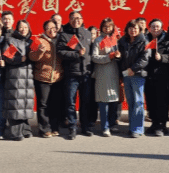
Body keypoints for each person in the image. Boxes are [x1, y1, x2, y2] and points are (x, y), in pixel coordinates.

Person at [57, 11, 93, 139]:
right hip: (72, 74)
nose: (76, 20)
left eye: (78, 18)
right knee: (70, 102)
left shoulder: (87, 33)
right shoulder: (64, 35)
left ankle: (85, 126)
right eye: (73, 18)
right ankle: (72, 127)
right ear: (69, 20)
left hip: (86, 73)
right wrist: (76, 54)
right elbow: (60, 52)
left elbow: (91, 52)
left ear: (82, 20)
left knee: (86, 101)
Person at [29, 19, 64, 137]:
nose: (51, 30)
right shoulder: (39, 41)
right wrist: (39, 52)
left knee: (55, 104)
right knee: (43, 105)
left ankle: (54, 127)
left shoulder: (60, 41)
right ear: (44, 30)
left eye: (53, 28)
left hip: (57, 78)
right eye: (48, 28)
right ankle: (44, 129)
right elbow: (32, 56)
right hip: (42, 77)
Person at [2, 20, 35, 141]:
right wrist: (19, 59)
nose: (23, 29)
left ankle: (25, 129)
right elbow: (7, 56)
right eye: (21, 27)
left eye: (26, 27)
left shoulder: (31, 42)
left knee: (25, 103)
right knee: (15, 104)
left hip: (28, 76)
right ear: (17, 28)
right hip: (15, 76)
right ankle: (14, 132)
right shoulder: (11, 40)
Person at [118, 19, 149, 137]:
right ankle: (132, 126)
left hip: (138, 75)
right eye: (130, 28)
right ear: (127, 30)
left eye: (135, 28)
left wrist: (133, 69)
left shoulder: (144, 41)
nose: (133, 30)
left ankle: (138, 129)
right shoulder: (122, 41)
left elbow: (145, 58)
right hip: (126, 75)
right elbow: (120, 58)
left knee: (138, 102)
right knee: (131, 101)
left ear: (139, 29)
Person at [144, 18, 169, 136]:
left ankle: (162, 126)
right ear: (149, 28)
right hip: (148, 76)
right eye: (153, 27)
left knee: (161, 102)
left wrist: (162, 57)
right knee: (151, 101)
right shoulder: (145, 39)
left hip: (162, 76)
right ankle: (154, 123)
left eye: (158, 27)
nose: (155, 29)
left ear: (162, 28)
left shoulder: (168, 40)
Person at [91, 18, 121, 137]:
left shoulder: (116, 39)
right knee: (104, 102)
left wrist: (118, 56)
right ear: (101, 27)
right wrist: (109, 57)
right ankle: (105, 127)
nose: (107, 28)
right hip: (102, 74)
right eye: (105, 26)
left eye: (109, 26)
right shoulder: (98, 40)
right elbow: (94, 57)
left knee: (113, 101)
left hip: (114, 73)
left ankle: (112, 124)